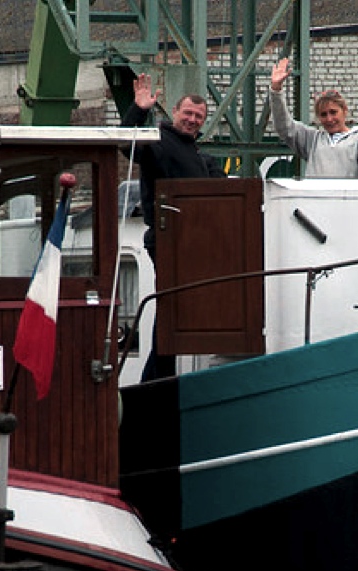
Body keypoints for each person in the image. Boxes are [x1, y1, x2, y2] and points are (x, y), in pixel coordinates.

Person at [121, 73, 226, 381]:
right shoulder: (158, 142)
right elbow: (126, 145)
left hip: (196, 241)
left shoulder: (199, 156)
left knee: (180, 308)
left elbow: (219, 188)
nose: (192, 120)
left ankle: (162, 373)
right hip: (167, 239)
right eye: (187, 114)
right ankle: (156, 378)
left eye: (198, 116)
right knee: (171, 308)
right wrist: (138, 110)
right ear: (175, 114)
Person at [268, 58, 358, 195]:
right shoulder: (312, 139)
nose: (329, 119)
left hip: (348, 205)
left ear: (344, 110)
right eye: (323, 114)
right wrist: (276, 90)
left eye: (333, 112)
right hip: (315, 205)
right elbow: (284, 127)